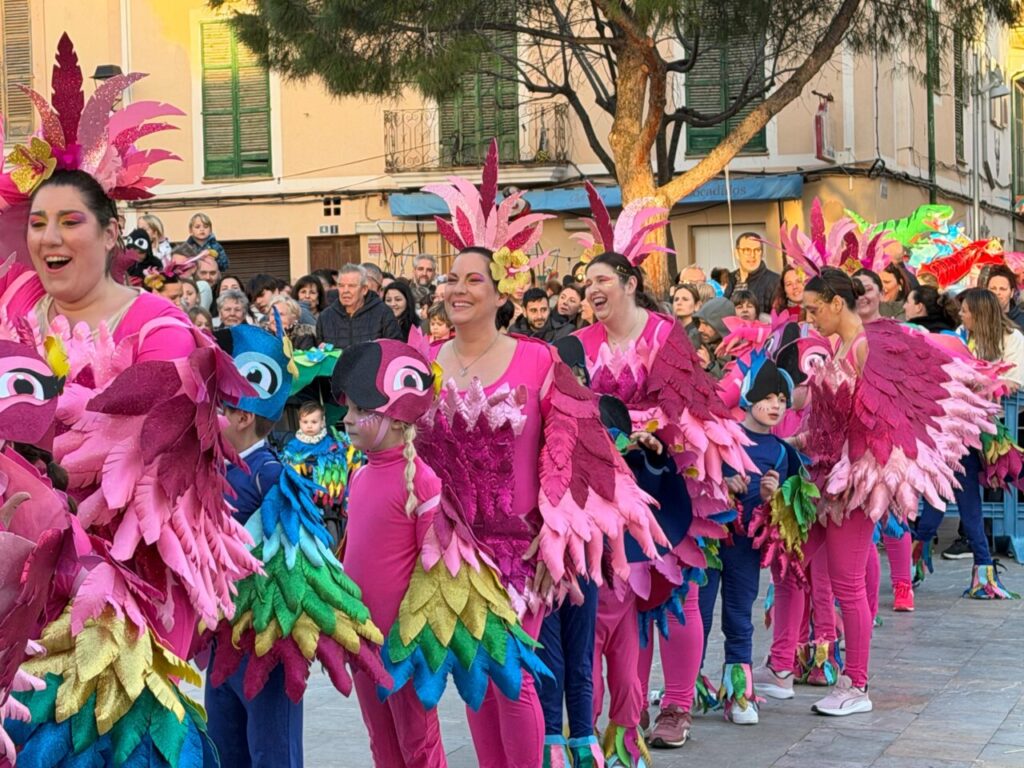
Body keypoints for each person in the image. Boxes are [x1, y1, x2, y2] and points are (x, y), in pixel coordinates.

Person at [0, 36, 258, 764]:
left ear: (112, 232)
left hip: (129, 577)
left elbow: (156, 456)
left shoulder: (159, 326)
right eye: (38, 223)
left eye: (70, 221)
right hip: (22, 576)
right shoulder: (14, 324)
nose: (49, 237)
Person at [417, 147, 665, 768]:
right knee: (475, 681)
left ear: (501, 291)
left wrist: (559, 533)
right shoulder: (424, 362)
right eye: (451, 279)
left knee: (516, 679)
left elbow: (584, 450)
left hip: (522, 552)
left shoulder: (539, 359)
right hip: (449, 551)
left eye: (473, 279)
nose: (457, 289)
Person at [754, 260, 998, 717]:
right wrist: (796, 443)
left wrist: (854, 470)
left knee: (847, 584)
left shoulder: (868, 348)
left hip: (852, 487)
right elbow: (824, 419)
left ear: (836, 304)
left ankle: (856, 684)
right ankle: (782, 666)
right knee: (792, 568)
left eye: (814, 309)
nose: (809, 318)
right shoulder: (839, 346)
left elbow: (884, 424)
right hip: (818, 481)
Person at [570, 183, 754, 760]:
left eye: (603, 279)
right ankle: (629, 709)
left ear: (629, 283)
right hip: (605, 487)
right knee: (625, 596)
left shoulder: (662, 333)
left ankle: (676, 704)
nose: (592, 288)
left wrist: (656, 433)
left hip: (669, 477)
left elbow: (690, 402)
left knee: (676, 596)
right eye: (586, 281)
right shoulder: (577, 342)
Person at [208, 321, 385, 768]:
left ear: (243, 417)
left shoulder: (271, 475)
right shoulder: (214, 467)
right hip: (221, 638)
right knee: (223, 750)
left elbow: (303, 563)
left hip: (267, 643)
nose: (206, 416)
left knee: (273, 752)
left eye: (216, 407)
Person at [701, 353, 803, 725]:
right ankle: (686, 687)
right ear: (748, 396)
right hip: (709, 544)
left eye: (782, 399)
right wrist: (722, 484)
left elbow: (782, 519)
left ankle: (739, 692)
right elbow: (695, 481)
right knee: (698, 616)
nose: (775, 406)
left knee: (739, 617)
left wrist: (771, 497)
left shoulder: (781, 452)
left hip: (745, 549)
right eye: (768, 397)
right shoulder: (721, 435)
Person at [852, 268, 916, 612]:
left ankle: (903, 585)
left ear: (881, 293)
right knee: (859, 514)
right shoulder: (843, 333)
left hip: (889, 430)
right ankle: (861, 595)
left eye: (868, 289)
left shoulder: (895, 332)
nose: (863, 296)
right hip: (853, 432)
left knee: (893, 509)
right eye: (856, 290)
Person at [317, 263, 402, 350]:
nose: (345, 290)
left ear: (364, 289)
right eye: (341, 286)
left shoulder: (383, 313)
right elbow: (319, 351)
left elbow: (395, 350)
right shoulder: (325, 317)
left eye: (351, 286)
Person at [958, 287, 1024, 392]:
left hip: (1003, 401)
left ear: (979, 315)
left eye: (964, 311)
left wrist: (990, 385)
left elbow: (1013, 382)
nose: (959, 314)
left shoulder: (1012, 337)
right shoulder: (962, 331)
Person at [727, 233, 780, 313]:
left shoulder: (775, 282)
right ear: (737, 253)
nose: (752, 255)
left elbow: (778, 316)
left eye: (757, 250)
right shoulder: (729, 279)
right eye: (747, 250)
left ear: (762, 253)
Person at [984, 263, 1024, 331]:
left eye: (1002, 289)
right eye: (993, 288)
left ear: (1012, 293)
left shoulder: (1022, 321)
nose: (997, 293)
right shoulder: (978, 318)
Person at [672, 283, 702, 349]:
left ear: (696, 305)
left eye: (685, 299)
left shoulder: (698, 332)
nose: (679, 303)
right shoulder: (670, 330)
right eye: (676, 299)